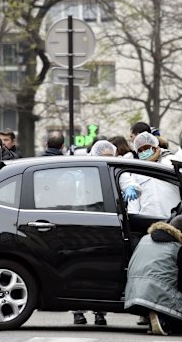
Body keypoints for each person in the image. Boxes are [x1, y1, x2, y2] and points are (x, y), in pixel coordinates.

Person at [124, 215, 182, 336]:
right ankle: (161, 320)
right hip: (157, 290)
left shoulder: (145, 238)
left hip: (133, 292)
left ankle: (150, 315)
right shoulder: (178, 246)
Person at [70, 139, 113, 326]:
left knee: (100, 270)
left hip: (102, 227)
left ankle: (99, 311)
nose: (108, 160)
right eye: (105, 156)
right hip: (81, 226)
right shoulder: (82, 174)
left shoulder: (108, 174)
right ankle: (78, 310)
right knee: (80, 268)